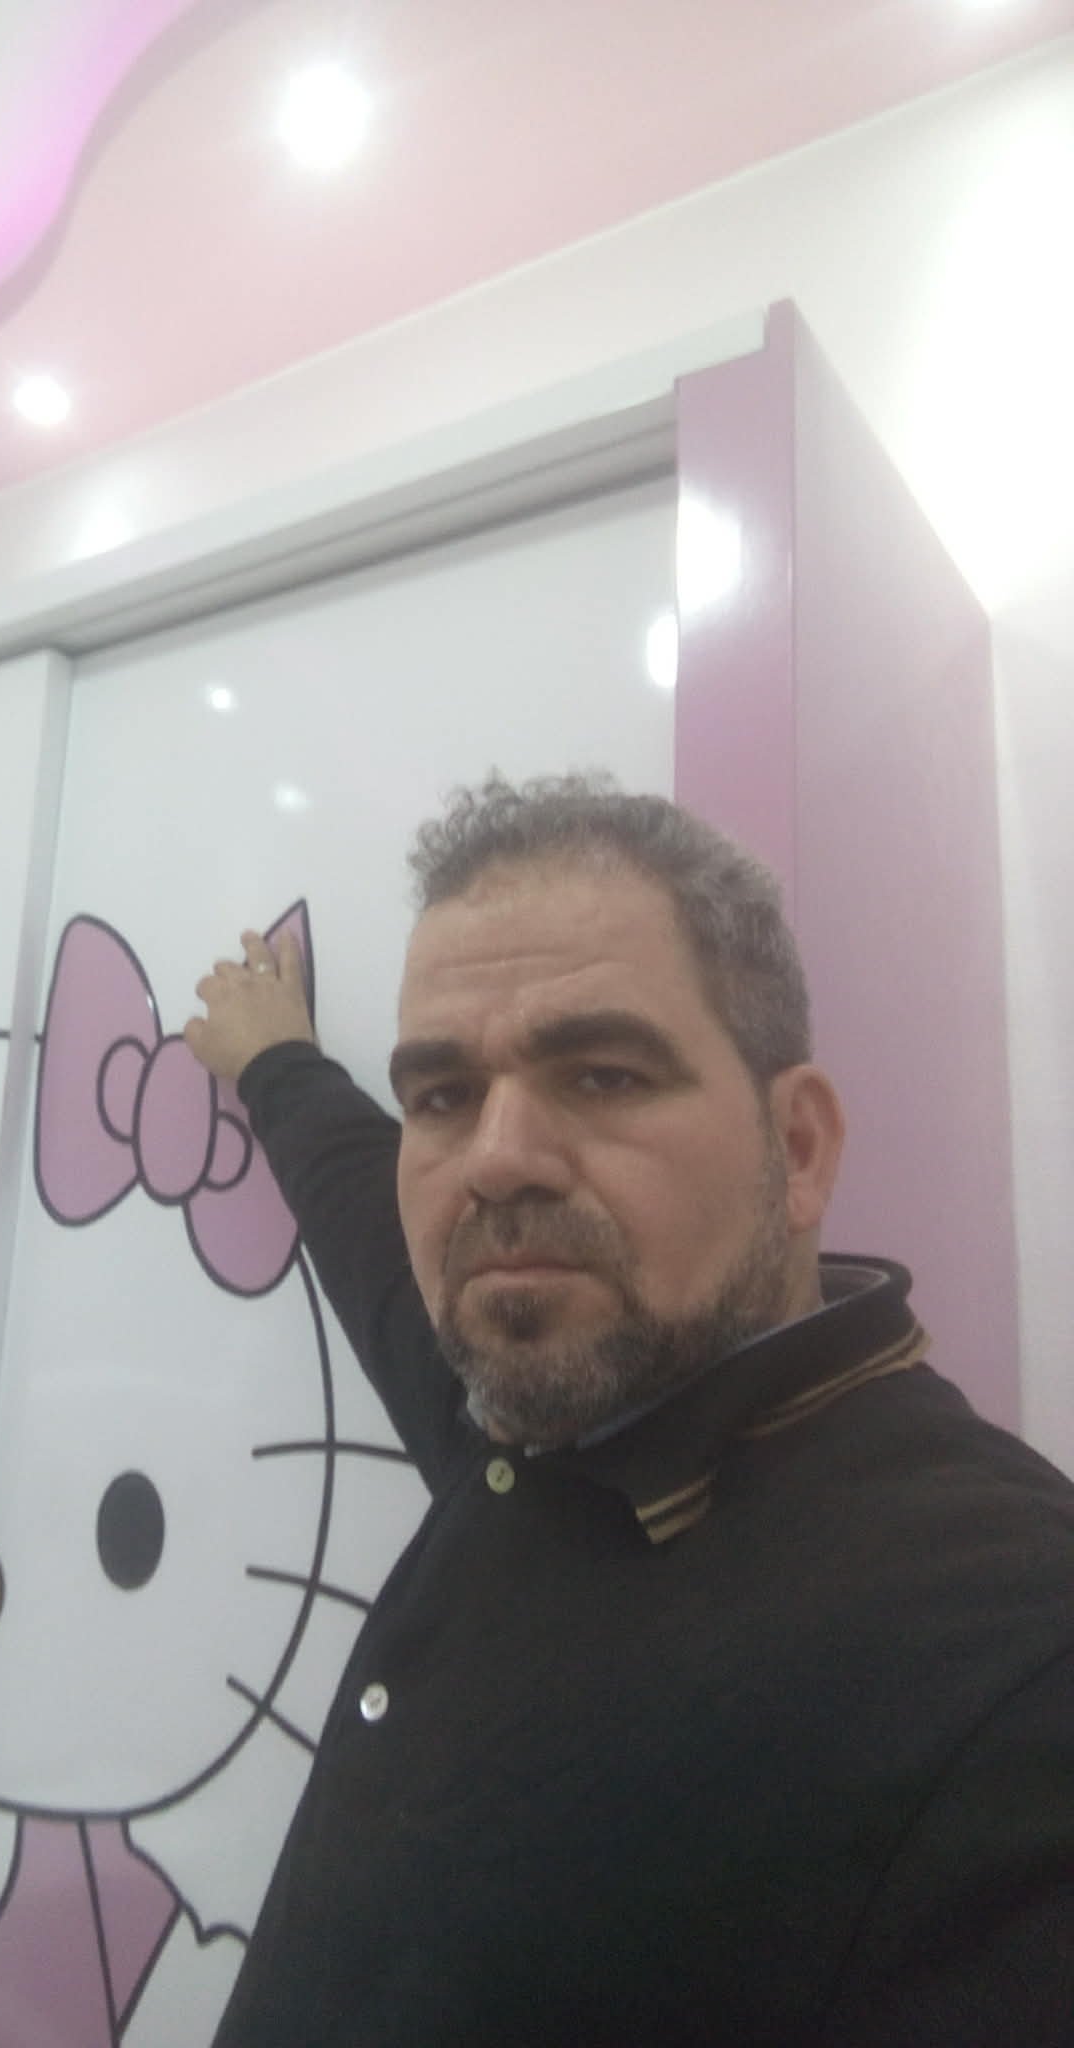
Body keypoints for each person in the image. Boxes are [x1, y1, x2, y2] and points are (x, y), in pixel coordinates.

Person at [183, 773, 1074, 2047]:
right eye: (442, 1094)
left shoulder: (1015, 1656)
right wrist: (278, 1062)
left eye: (602, 1074)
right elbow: (365, 1221)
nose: (495, 1159)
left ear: (799, 1148)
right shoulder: (534, 1422)